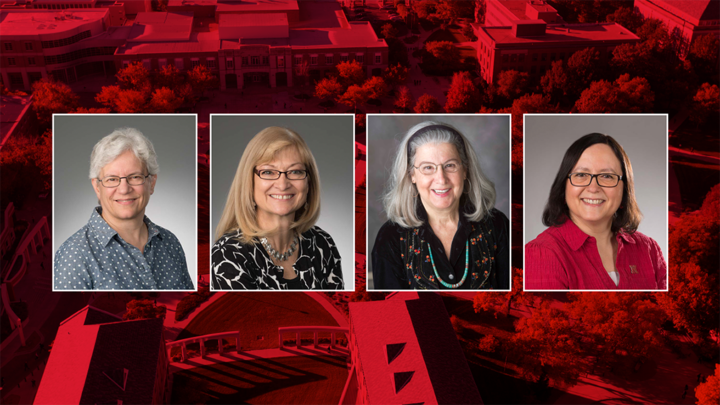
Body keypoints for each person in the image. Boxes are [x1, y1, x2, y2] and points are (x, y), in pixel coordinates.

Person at [372, 122, 509, 290]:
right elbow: (392, 311)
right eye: (428, 167)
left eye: (450, 165)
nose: (441, 178)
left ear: (465, 170)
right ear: (411, 175)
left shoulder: (497, 224)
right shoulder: (390, 237)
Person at [54, 128, 193, 290]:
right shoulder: (74, 256)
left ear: (152, 183)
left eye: (135, 177)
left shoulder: (170, 242)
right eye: (112, 179)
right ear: (97, 187)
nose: (124, 189)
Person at [525, 133, 667, 290]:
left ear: (625, 189)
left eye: (607, 176)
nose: (593, 188)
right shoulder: (543, 254)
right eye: (581, 175)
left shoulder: (649, 249)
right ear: (564, 186)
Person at [212, 127, 343, 290]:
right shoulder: (229, 254)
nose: (283, 184)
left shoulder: (322, 243)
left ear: (309, 183)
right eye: (268, 172)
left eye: (295, 171)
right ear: (249, 182)